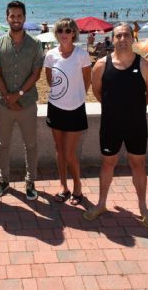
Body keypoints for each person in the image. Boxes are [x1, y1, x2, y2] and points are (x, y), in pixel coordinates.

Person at [83, 23, 148, 225]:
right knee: (107, 163)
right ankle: (101, 203)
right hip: (110, 125)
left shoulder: (145, 66)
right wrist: (114, 108)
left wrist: (133, 108)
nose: (122, 39)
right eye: (118, 36)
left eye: (126, 35)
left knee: (138, 164)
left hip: (136, 125)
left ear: (132, 39)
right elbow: (98, 92)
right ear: (112, 39)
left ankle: (143, 207)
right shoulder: (100, 65)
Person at [0, 1, 44, 200]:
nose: (15, 19)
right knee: (2, 144)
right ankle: (3, 180)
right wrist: (8, 97)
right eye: (12, 16)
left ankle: (30, 181)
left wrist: (18, 95)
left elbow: (36, 74)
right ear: (7, 18)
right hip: (3, 105)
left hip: (27, 103)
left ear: (24, 17)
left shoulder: (35, 44)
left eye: (19, 16)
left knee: (30, 144)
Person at [44, 18, 92, 205]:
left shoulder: (82, 55)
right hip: (55, 107)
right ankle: (63, 186)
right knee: (59, 150)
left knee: (70, 153)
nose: (64, 34)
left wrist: (76, 96)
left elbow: (87, 79)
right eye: (60, 31)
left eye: (68, 30)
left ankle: (77, 186)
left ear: (73, 33)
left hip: (75, 108)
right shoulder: (50, 55)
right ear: (56, 34)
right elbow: (49, 80)